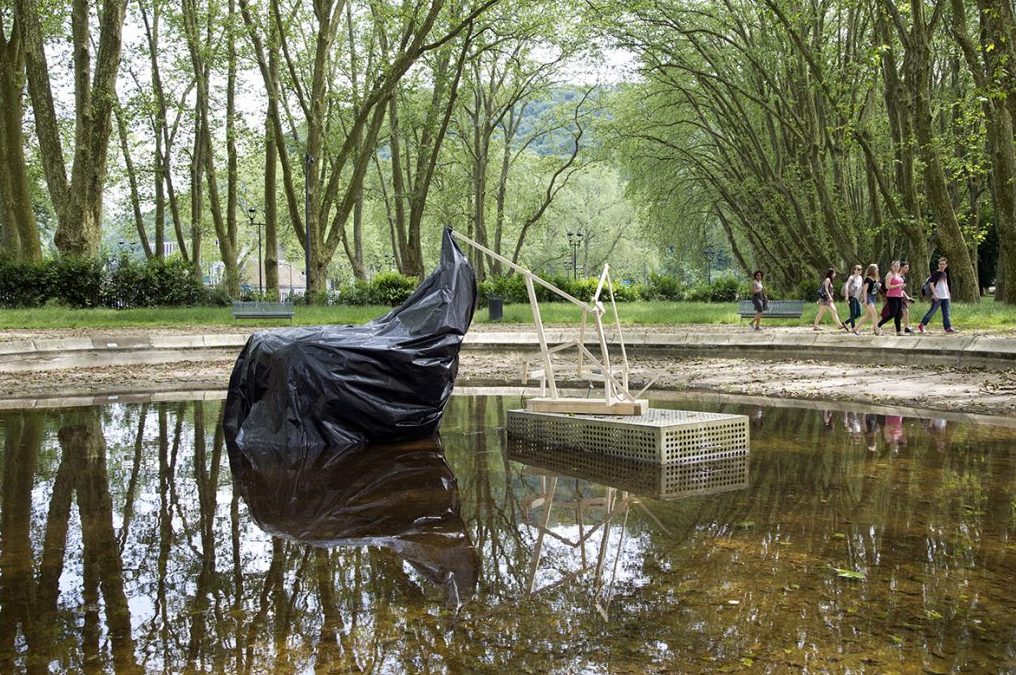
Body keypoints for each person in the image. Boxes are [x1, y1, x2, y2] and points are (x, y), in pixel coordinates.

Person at [918, 257, 958, 334]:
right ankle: (922, 325)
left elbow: (945, 284)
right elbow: (931, 284)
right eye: (940, 264)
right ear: (938, 265)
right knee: (932, 311)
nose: (942, 266)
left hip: (945, 297)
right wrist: (935, 294)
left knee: (946, 313)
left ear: (946, 265)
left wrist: (948, 293)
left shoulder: (944, 274)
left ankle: (948, 328)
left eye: (943, 264)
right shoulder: (936, 274)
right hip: (937, 297)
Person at [877, 260, 907, 336]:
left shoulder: (898, 275)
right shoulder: (889, 274)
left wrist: (902, 287)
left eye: (897, 266)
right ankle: (878, 325)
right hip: (891, 296)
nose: (896, 268)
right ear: (891, 267)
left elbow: (900, 285)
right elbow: (887, 286)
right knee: (892, 313)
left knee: (898, 314)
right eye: (894, 266)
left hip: (899, 296)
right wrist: (899, 285)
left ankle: (899, 331)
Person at [852, 264, 882, 335]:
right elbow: (865, 290)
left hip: (873, 298)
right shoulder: (867, 279)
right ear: (872, 270)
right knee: (874, 313)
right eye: (876, 269)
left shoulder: (876, 279)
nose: (878, 270)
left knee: (867, 316)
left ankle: (855, 329)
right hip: (868, 298)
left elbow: (877, 289)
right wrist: (865, 300)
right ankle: (876, 330)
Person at [843, 265, 864, 330]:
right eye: (859, 269)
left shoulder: (860, 277)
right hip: (851, 296)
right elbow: (846, 285)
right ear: (854, 270)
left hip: (858, 297)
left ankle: (846, 322)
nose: (860, 270)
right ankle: (853, 328)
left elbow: (861, 287)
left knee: (859, 313)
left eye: (861, 269)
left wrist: (862, 295)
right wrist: (846, 296)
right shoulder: (852, 277)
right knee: (853, 313)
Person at [898, 261, 915, 333]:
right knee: (889, 314)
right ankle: (878, 325)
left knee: (905, 312)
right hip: (896, 297)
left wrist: (907, 297)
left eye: (908, 267)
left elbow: (902, 289)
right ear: (901, 267)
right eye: (906, 267)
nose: (907, 269)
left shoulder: (903, 277)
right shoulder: (897, 276)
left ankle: (906, 327)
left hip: (901, 297)